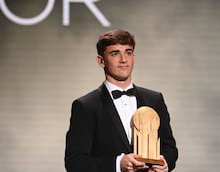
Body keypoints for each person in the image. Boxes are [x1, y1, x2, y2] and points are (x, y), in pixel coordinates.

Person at [65, 29, 178, 172]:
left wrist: (164, 164)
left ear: (134, 57)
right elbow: (75, 163)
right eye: (115, 53)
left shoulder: (155, 100)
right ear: (101, 60)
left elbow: (170, 148)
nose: (124, 59)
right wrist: (118, 164)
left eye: (128, 52)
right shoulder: (86, 106)